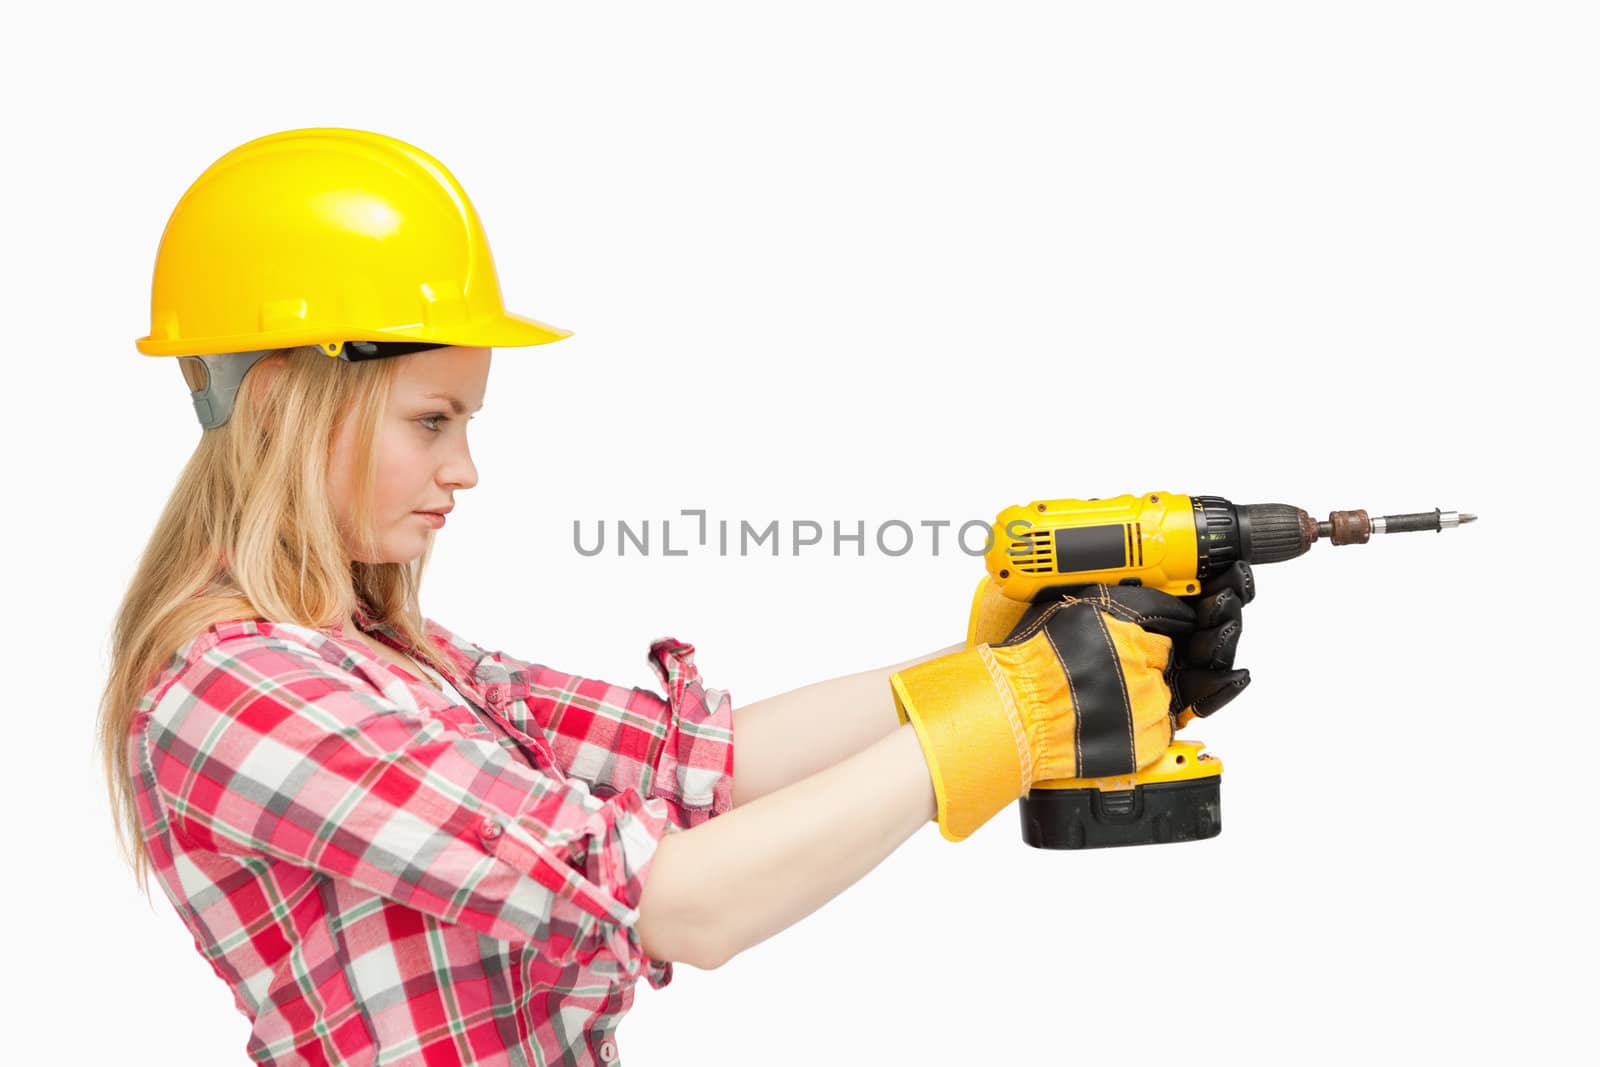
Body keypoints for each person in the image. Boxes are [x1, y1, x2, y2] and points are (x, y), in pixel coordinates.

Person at [99, 127, 1253, 1066]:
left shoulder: (385, 653)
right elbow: (674, 902)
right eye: (431, 419)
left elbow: (690, 755)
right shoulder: (243, 693)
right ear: (271, 411)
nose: (465, 469)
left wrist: (997, 662)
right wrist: (1012, 712)